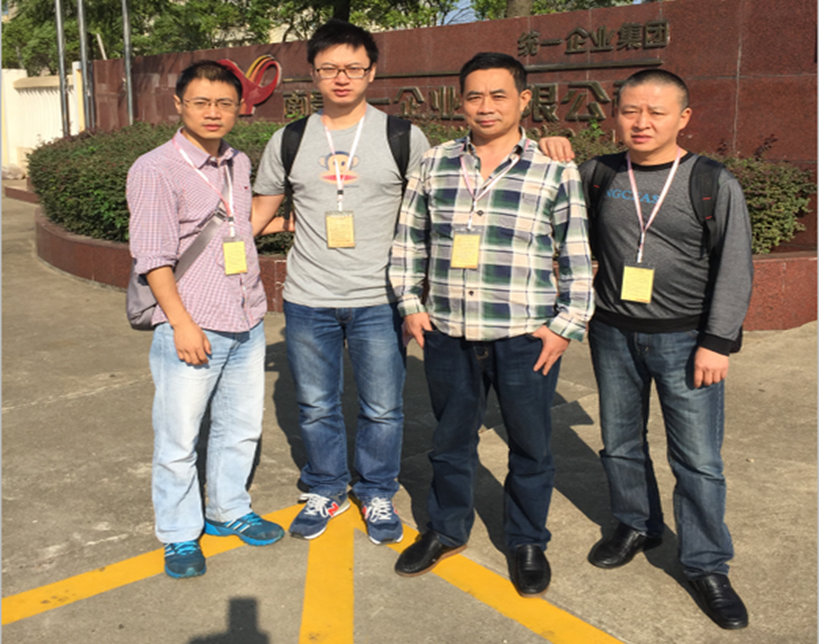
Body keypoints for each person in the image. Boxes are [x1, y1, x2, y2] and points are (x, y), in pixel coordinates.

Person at [545, 69, 752, 629]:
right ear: (616, 115)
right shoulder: (600, 173)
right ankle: (637, 524)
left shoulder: (710, 181)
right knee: (620, 444)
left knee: (698, 460)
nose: (641, 122)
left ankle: (707, 564)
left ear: (683, 118)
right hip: (613, 333)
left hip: (687, 340)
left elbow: (734, 265)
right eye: (630, 110)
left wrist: (717, 343)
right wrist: (544, 146)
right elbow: (545, 200)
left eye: (656, 112)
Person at [389, 52, 594, 597]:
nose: (486, 106)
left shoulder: (554, 169)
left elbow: (576, 253)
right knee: (450, 440)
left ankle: (526, 540)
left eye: (498, 95)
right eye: (474, 95)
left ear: (523, 100)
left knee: (531, 445)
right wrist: (410, 304)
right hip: (448, 332)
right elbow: (409, 240)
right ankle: (445, 528)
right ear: (461, 102)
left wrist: (567, 324)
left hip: (526, 336)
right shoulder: (433, 163)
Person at [252, 20, 429, 545]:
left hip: (379, 298)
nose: (342, 78)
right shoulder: (289, 139)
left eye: (353, 67)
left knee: (383, 408)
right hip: (308, 298)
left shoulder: (403, 137)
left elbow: (429, 215)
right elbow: (258, 211)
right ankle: (326, 487)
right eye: (329, 68)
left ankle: (376, 490)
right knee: (316, 406)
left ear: (372, 72)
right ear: (313, 74)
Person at [127, 61, 285, 579]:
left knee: (239, 428)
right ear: (179, 105)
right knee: (179, 438)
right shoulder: (155, 168)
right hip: (193, 324)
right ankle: (178, 533)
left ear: (239, 108)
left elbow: (236, 227)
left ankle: (227, 509)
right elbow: (153, 258)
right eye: (201, 102)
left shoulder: (238, 161)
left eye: (224, 103)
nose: (213, 112)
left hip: (247, 316)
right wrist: (181, 324)